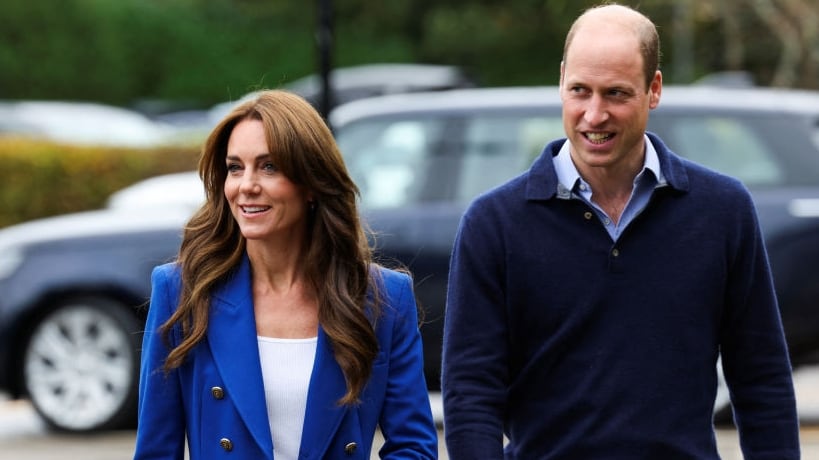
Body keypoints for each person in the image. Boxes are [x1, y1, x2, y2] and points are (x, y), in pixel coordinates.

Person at [441, 3, 800, 459]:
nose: (594, 115)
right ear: (560, 82)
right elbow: (471, 390)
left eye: (615, 93)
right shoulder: (493, 223)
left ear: (654, 90)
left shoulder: (723, 211)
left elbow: (761, 377)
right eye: (579, 91)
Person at [133, 90, 438, 460]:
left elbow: (414, 448)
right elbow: (155, 452)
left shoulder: (382, 297)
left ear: (311, 184)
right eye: (234, 167)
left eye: (269, 167)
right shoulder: (182, 292)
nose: (246, 185)